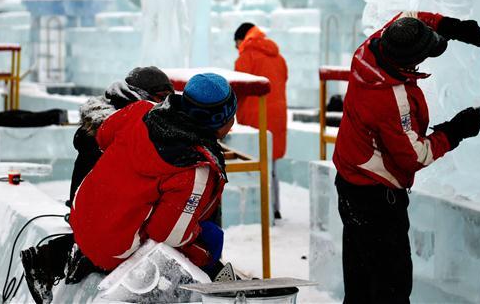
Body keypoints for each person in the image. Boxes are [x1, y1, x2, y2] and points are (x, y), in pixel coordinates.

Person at [23, 72, 233, 304]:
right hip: (113, 249)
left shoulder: (141, 110)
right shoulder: (194, 166)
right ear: (222, 121)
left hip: (81, 215)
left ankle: (68, 253)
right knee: (211, 239)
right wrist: (204, 250)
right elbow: (168, 236)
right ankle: (210, 290)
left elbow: (103, 136)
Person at [333, 12, 480, 303]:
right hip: (375, 198)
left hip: (349, 181)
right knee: (391, 287)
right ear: (409, 62)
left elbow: (409, 17)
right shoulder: (391, 99)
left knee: (361, 283)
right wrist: (455, 131)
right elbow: (414, 156)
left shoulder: (371, 49)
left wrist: (450, 26)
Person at [68, 66, 174, 205]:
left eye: (169, 98)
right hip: (100, 215)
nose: (165, 104)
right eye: (161, 97)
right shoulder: (114, 131)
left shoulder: (122, 122)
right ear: (140, 95)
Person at [233, 22, 288, 219]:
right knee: (272, 166)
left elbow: (237, 90)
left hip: (255, 119)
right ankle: (275, 208)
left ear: (241, 40)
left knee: (256, 168)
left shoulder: (246, 57)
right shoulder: (279, 58)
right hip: (277, 118)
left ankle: (262, 212)